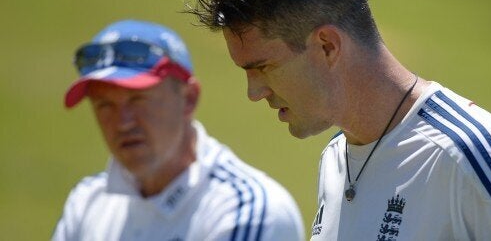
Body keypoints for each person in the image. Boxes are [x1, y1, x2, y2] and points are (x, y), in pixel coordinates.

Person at [187, 0, 491, 240]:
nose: (254, 92)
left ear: (326, 45)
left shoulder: (469, 158)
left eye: (264, 67)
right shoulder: (337, 159)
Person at [53, 19, 305, 241]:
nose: (123, 122)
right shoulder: (86, 202)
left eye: (138, 100)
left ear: (189, 99)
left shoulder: (250, 210)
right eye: (104, 105)